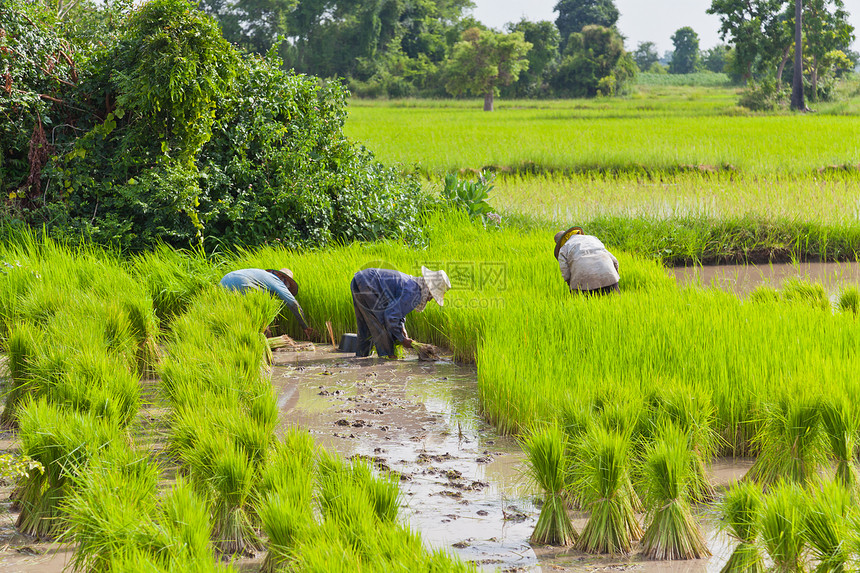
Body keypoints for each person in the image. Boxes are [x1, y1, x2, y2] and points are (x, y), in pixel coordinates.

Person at [350, 266, 451, 358]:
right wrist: (402, 339)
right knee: (381, 325)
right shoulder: (414, 293)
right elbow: (390, 316)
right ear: (428, 290)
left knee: (365, 325)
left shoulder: (412, 285)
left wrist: (402, 328)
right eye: (432, 296)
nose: (430, 299)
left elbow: (396, 310)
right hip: (368, 283)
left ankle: (361, 357)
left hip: (359, 279)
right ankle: (387, 359)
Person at [219, 268, 315, 338]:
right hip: (243, 283)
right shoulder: (276, 280)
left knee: (236, 318)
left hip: (223, 281)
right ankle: (268, 344)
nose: (286, 286)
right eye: (287, 284)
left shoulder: (262, 277)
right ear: (281, 276)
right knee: (261, 318)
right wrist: (305, 326)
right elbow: (293, 303)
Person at [554, 226, 620, 295]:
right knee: (613, 300)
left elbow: (565, 273)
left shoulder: (564, 249)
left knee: (582, 303)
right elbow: (614, 261)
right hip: (609, 274)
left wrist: (572, 286)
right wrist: (615, 276)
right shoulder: (592, 238)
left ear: (560, 243)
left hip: (583, 280)